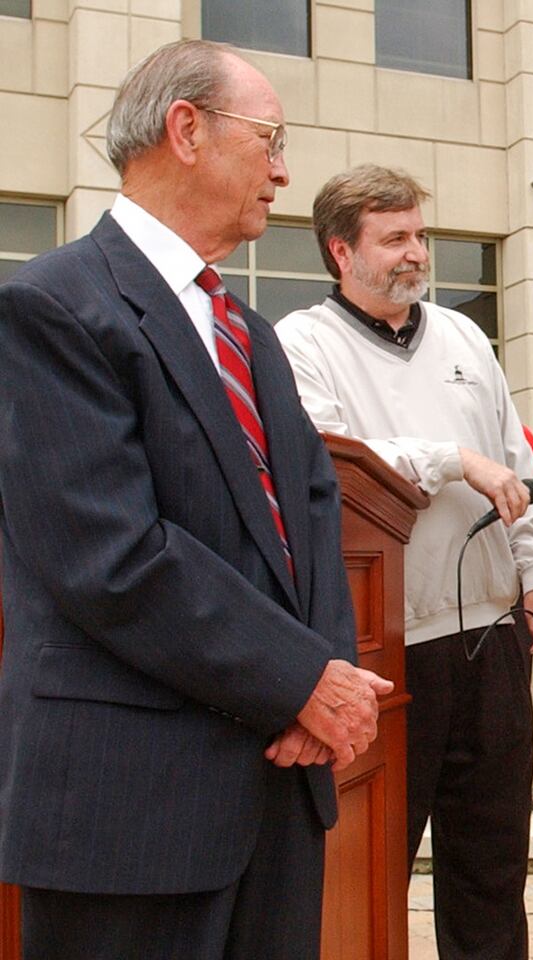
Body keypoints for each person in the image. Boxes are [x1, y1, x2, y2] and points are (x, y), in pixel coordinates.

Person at [0, 39, 390, 960]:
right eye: (271, 140)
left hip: (277, 780)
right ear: (186, 130)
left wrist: (319, 683)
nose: (285, 172)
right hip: (131, 809)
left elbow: (313, 510)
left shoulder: (246, 328)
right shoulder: (52, 306)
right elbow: (111, 556)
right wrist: (301, 680)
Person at [274, 164, 533, 960]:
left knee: (492, 868)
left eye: (420, 235)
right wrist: (449, 459)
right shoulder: (303, 343)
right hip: (386, 653)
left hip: (492, 642)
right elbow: (331, 464)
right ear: (341, 250)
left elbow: (517, 468)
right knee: (371, 869)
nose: (416, 253)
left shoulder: (465, 336)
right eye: (394, 238)